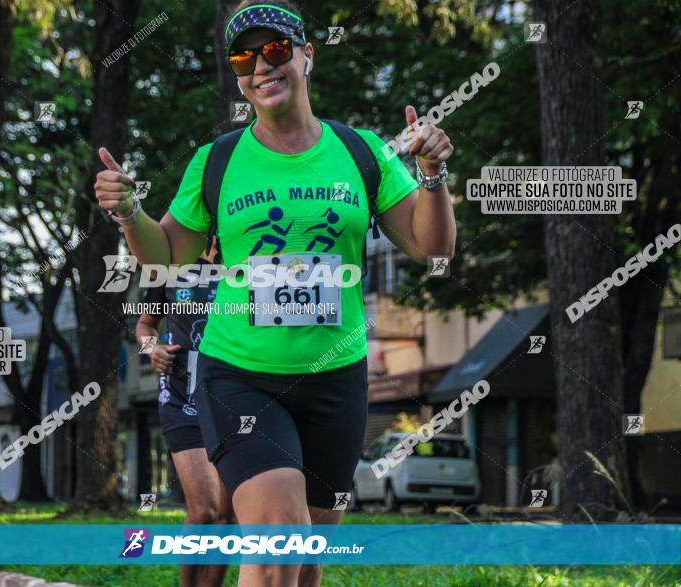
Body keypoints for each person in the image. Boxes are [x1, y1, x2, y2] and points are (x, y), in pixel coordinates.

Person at [95, 1, 456, 584]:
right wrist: (130, 211)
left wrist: (433, 178)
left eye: (276, 50)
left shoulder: (362, 152)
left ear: (306, 56)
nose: (261, 65)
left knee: (307, 557)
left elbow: (432, 249)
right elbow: (164, 258)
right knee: (278, 542)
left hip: (337, 378)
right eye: (244, 56)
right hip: (240, 373)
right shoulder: (217, 161)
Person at [135, 239, 233, 587]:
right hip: (182, 399)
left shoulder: (254, 266)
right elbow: (145, 326)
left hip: (238, 400)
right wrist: (153, 349)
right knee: (204, 510)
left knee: (228, 515)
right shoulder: (171, 266)